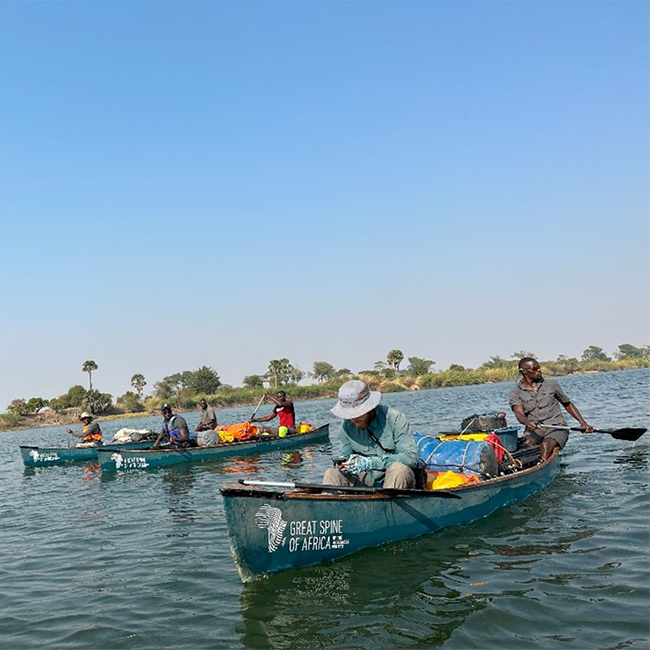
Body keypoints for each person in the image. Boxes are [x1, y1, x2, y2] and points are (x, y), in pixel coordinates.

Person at [323, 380, 417, 489]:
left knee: (399, 469)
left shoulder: (395, 419)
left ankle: (388, 505)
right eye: (350, 415)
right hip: (366, 480)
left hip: (396, 477)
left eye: (358, 413)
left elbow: (411, 458)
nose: (353, 418)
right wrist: (344, 465)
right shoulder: (346, 426)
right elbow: (345, 455)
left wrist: (370, 463)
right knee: (331, 473)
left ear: (369, 407)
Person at [509, 357, 593, 460]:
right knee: (525, 446)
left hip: (557, 427)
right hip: (535, 431)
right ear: (524, 371)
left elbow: (567, 404)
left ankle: (543, 467)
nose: (539, 370)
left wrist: (583, 423)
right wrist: (527, 423)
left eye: (539, 367)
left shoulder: (551, 384)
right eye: (535, 368)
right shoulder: (515, 392)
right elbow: (519, 414)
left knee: (545, 446)